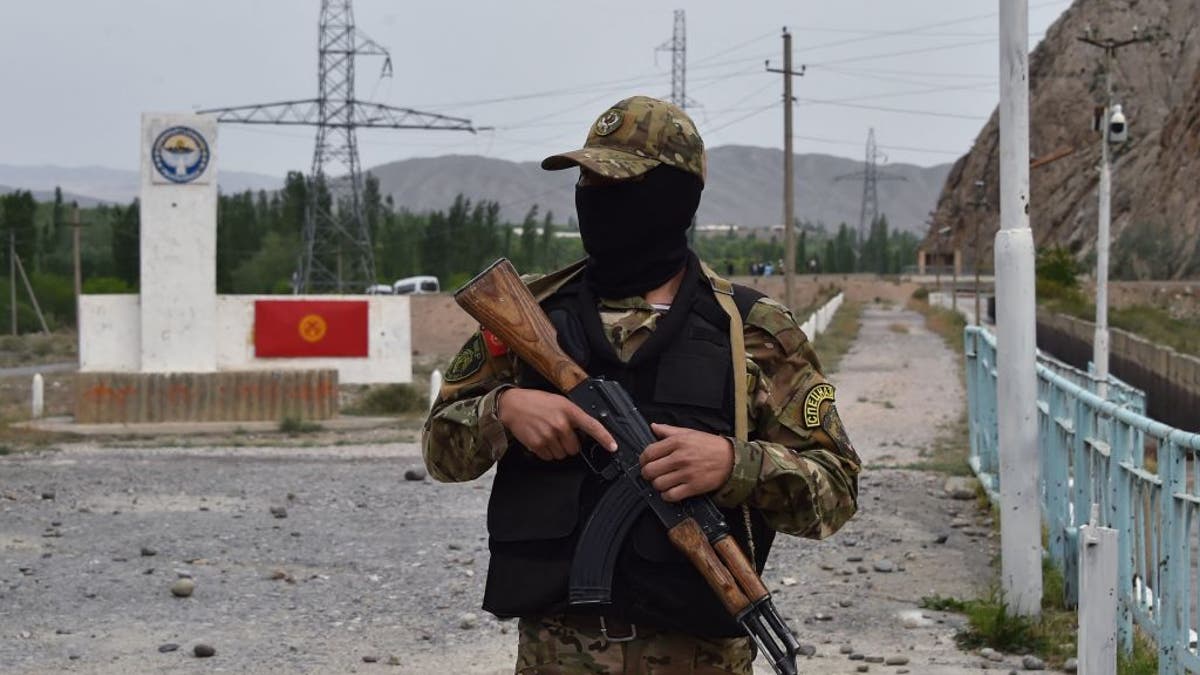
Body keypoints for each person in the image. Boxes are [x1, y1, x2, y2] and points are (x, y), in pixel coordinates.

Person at [422, 95, 860, 675]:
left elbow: (836, 492)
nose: (597, 201)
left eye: (617, 184)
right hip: (556, 656)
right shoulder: (528, 313)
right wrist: (501, 409)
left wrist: (736, 465)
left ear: (674, 196)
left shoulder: (752, 330)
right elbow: (439, 453)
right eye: (588, 183)